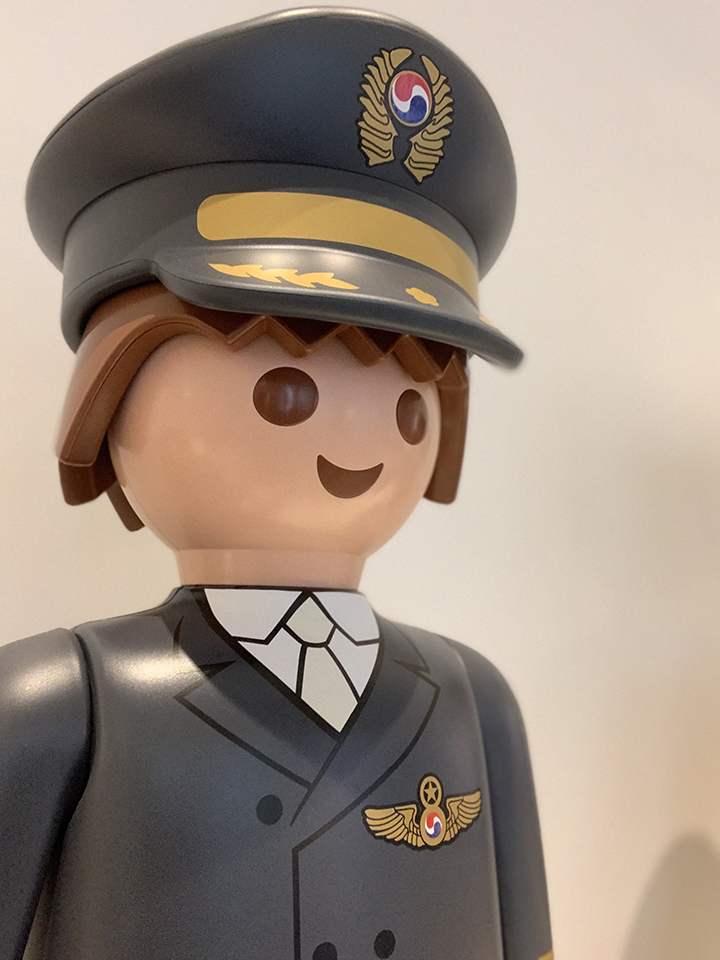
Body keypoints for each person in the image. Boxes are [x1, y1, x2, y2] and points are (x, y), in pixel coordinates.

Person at [1, 9, 552, 960]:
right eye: (285, 392)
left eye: (409, 405)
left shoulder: (478, 701)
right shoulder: (58, 704)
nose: (361, 437)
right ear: (108, 398)